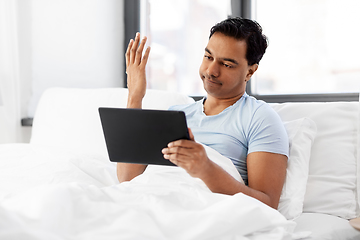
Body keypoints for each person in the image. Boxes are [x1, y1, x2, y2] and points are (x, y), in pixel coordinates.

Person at [118, 17, 289, 209]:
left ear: (250, 72)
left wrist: (206, 168)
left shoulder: (260, 118)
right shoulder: (176, 115)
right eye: (208, 57)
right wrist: (135, 96)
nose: (211, 71)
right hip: (152, 202)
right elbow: (127, 179)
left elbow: (267, 205)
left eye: (227, 64)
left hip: (202, 209)